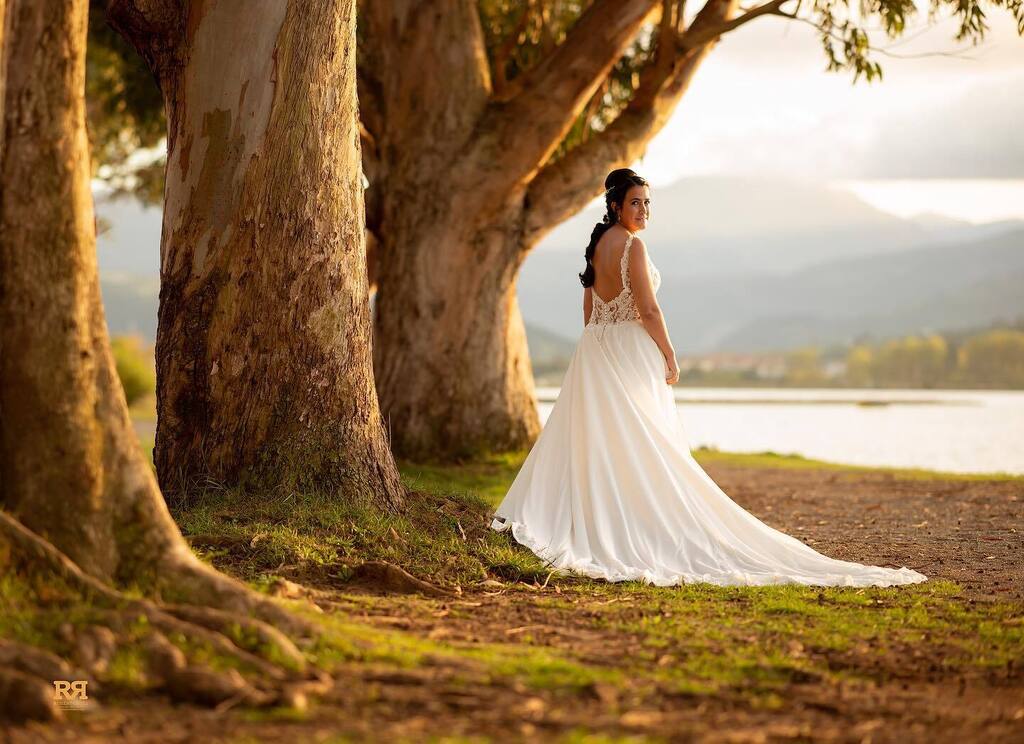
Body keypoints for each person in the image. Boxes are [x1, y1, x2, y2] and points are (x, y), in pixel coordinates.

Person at [490, 168, 927, 588]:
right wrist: (669, 352)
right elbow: (648, 310)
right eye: (636, 203)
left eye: (647, 203)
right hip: (630, 350)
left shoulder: (596, 245)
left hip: (597, 351)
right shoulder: (632, 248)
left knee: (608, 439)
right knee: (644, 440)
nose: (644, 211)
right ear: (616, 205)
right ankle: (638, 521)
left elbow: (590, 312)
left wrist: (596, 342)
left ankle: (602, 516)